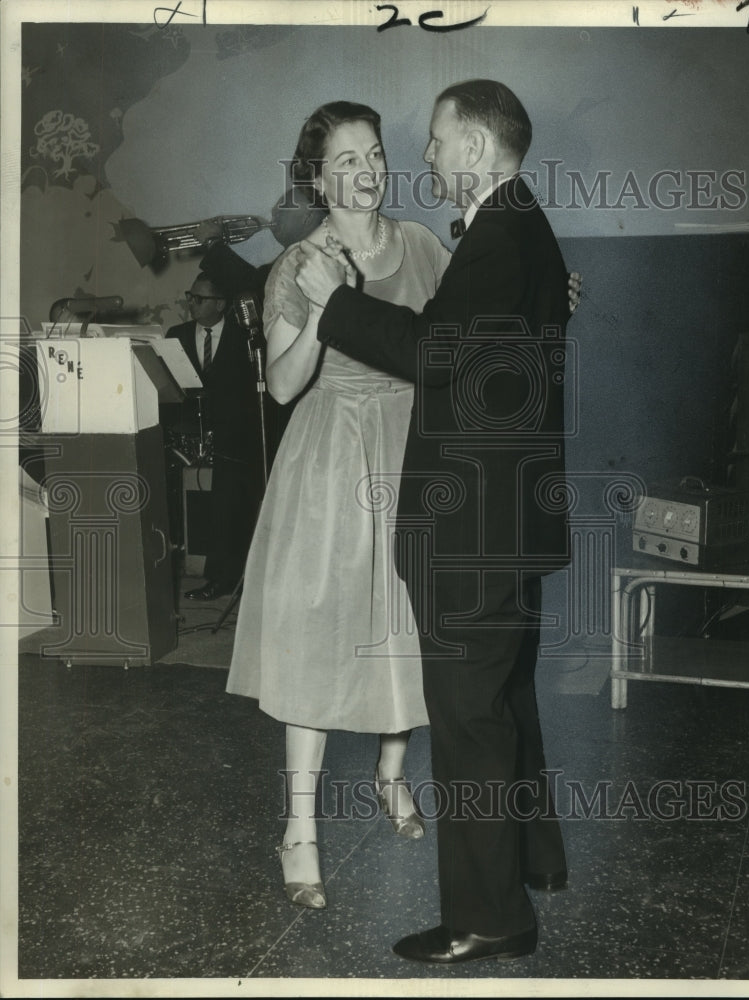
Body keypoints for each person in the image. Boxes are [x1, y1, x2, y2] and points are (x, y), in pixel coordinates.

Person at [296, 79, 573, 965]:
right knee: (507, 699)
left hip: (471, 528)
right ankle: (536, 859)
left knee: (469, 721)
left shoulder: (499, 236)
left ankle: (491, 918)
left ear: (479, 150)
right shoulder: (521, 227)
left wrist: (333, 303)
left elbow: (432, 353)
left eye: (437, 140)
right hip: (508, 518)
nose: (423, 157)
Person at [225, 101, 453, 911]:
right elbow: (284, 385)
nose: (366, 171)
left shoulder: (423, 245)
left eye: (376, 154)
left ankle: (391, 779)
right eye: (345, 160)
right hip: (328, 460)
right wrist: (328, 296)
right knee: (318, 638)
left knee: (405, 626)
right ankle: (299, 829)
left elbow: (456, 341)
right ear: (316, 178)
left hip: (410, 451)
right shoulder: (295, 264)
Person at [164, 273, 264, 599]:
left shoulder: (247, 338)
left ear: (221, 304)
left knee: (230, 501)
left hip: (235, 440)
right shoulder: (175, 335)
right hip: (186, 435)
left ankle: (224, 576)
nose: (190, 303)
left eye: (199, 298)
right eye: (190, 296)